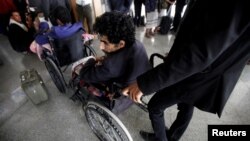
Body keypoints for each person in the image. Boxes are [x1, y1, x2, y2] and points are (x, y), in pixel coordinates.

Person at [123, 0, 250, 141]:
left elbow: (202, 53)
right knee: (187, 106)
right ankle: (173, 136)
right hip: (203, 71)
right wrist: (176, 54)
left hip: (198, 73)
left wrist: (145, 84)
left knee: (155, 106)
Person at [73, 11, 151, 114]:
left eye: (105, 42)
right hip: (143, 79)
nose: (100, 47)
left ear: (121, 44)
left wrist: (92, 59)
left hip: (121, 90)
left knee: (80, 74)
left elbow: (85, 74)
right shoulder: (136, 43)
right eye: (100, 41)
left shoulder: (109, 66)